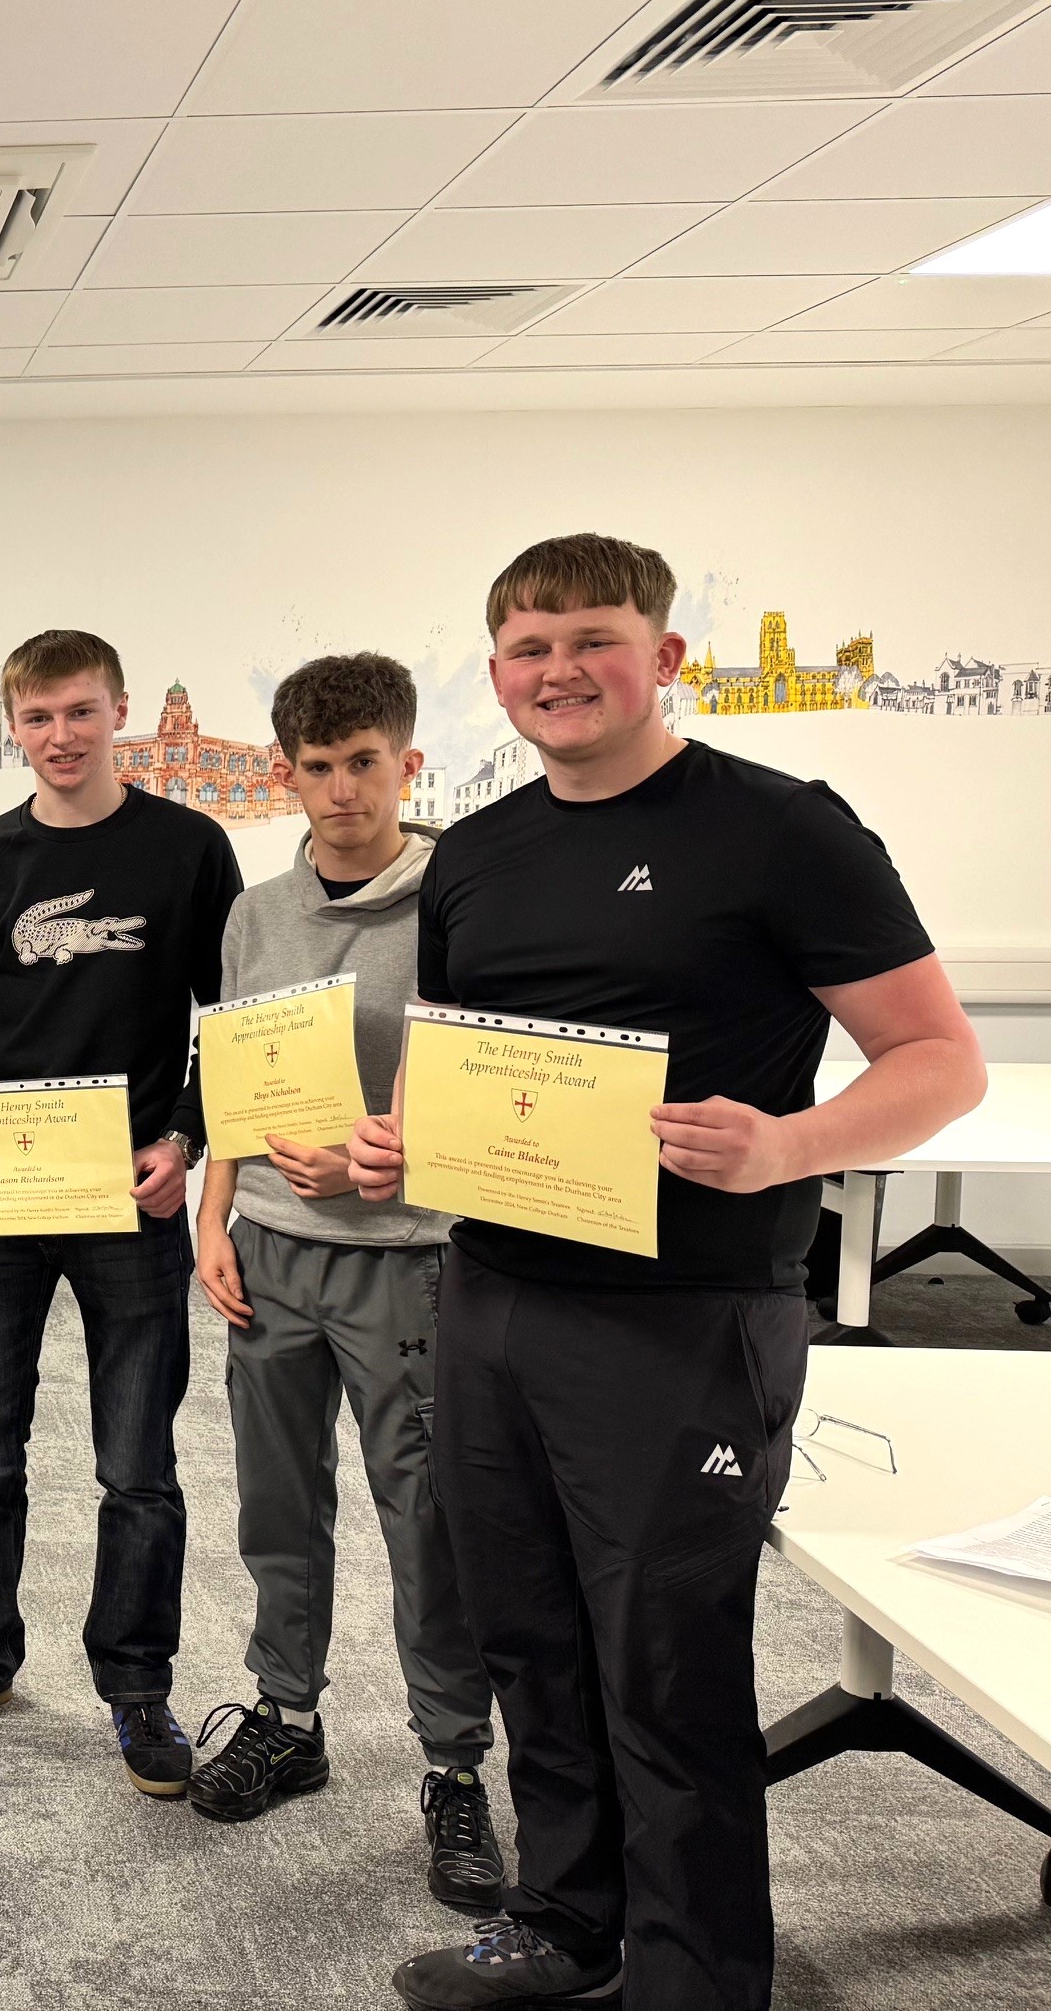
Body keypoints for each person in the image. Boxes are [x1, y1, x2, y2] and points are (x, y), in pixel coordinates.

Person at [352, 537, 983, 2011]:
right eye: (525, 647)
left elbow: (942, 1060)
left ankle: (695, 1974)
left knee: (664, 1651)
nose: (557, 671)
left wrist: (788, 1146)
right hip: (493, 1295)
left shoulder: (779, 830)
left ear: (667, 656)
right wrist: (410, 1150)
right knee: (527, 1623)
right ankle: (566, 1916)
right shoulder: (483, 853)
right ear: (492, 668)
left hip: (686, 1311)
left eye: (592, 638)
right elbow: (479, 1073)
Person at [0, 629, 240, 1795]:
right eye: (38, 719)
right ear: (14, 725)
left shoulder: (189, 850)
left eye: (81, 714)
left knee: (136, 1465)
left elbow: (228, 1022)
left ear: (120, 711)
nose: (60, 738)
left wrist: (182, 1141)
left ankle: (138, 1687)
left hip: (129, 1200)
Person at [186, 653, 502, 1912]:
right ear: (287, 774)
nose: (340, 791)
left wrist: (395, 1158)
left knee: (425, 1518)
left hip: (407, 1260)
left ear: (407, 764)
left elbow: (483, 1082)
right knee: (277, 1502)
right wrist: (215, 1214)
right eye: (315, 768)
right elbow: (234, 1080)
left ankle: (454, 1766)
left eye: (363, 763)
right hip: (267, 1246)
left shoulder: (461, 903)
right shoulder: (257, 913)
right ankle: (286, 1714)